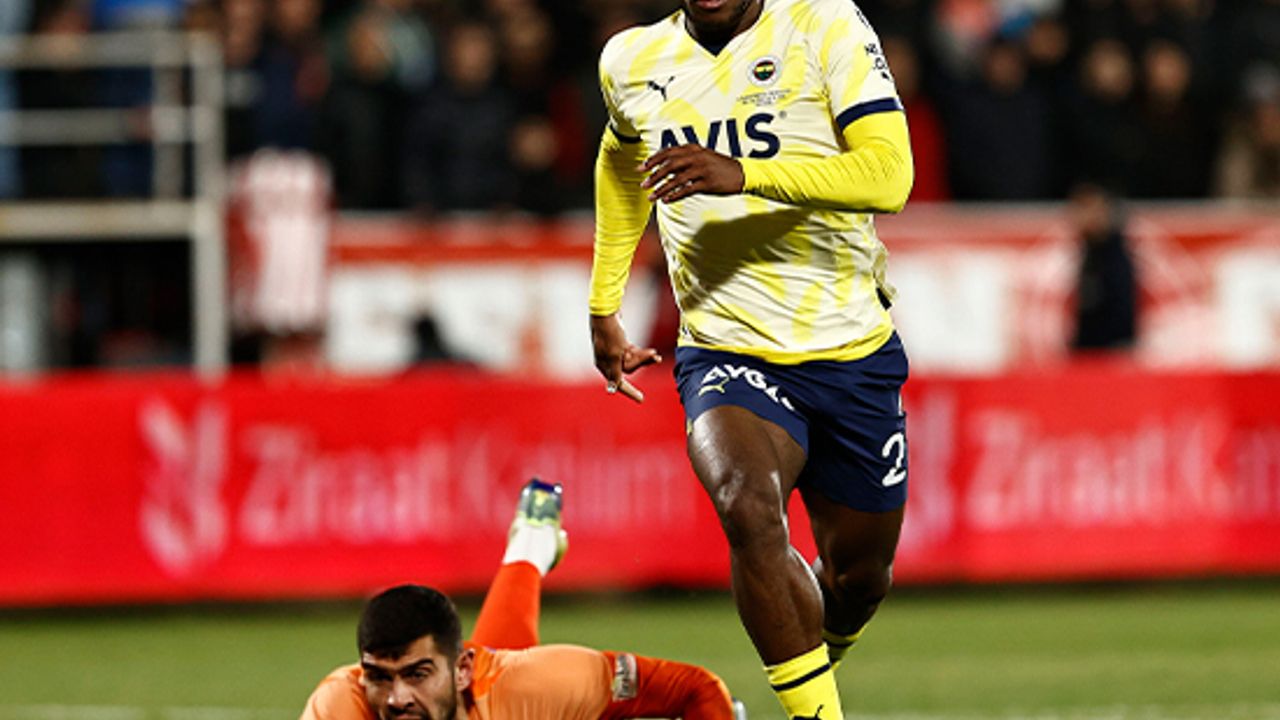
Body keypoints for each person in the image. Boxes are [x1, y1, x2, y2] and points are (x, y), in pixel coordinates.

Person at [588, 1, 913, 719]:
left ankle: (806, 664)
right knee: (746, 503)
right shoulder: (631, 60)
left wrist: (746, 173)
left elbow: (891, 175)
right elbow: (619, 160)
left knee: (859, 578)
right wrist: (604, 299)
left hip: (849, 350)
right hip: (724, 346)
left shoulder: (824, 24)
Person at [300, 479, 743, 720]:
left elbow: (695, 688)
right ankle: (531, 543)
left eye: (417, 674)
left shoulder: (537, 683)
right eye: (379, 677)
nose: (397, 699)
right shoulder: (338, 708)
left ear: (462, 670)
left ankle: (532, 543)